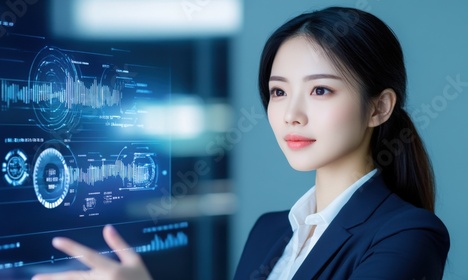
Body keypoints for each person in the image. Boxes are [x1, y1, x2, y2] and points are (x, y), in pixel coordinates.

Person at [33, 6, 450, 280]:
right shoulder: (269, 231)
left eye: (321, 90)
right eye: (279, 92)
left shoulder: (408, 234)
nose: (292, 114)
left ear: (379, 108)